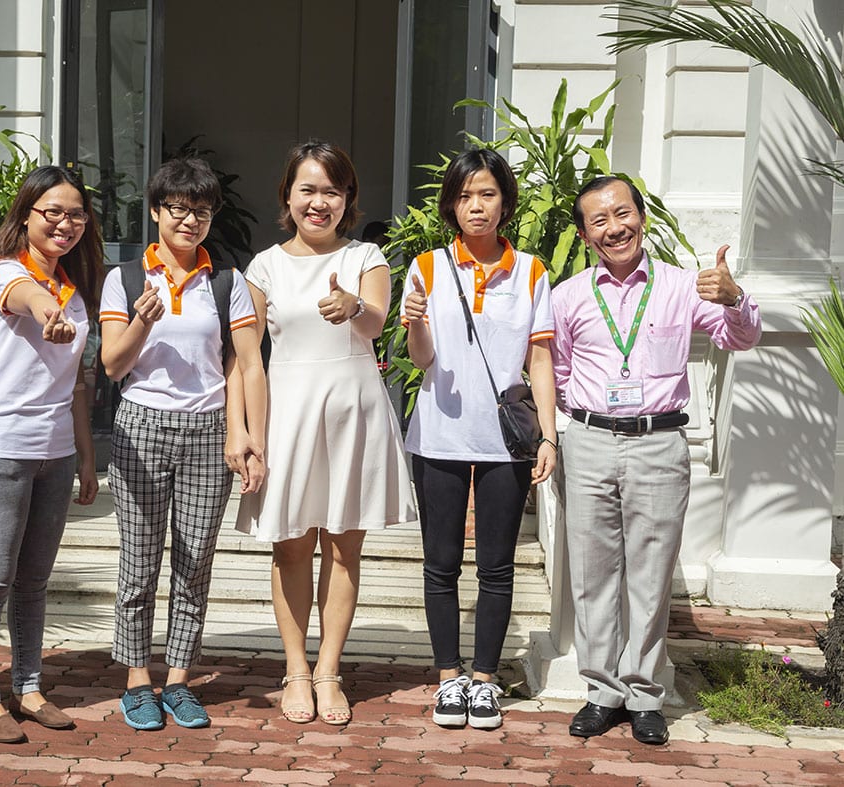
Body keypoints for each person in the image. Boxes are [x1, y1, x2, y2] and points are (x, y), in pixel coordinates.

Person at [552, 175, 761, 745]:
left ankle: (644, 694)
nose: (614, 227)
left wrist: (736, 299)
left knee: (650, 574)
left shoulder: (683, 286)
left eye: (623, 214)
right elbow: (562, 372)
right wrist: (584, 421)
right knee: (592, 572)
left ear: (641, 218)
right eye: (599, 220)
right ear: (584, 233)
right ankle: (600, 692)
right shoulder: (569, 294)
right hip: (589, 439)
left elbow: (740, 340)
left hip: (660, 442)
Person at [235, 141, 416, 726]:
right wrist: (244, 433)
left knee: (344, 546)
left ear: (348, 199)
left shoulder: (367, 255)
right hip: (287, 411)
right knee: (289, 545)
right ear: (288, 195)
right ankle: (294, 669)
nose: (320, 202)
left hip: (352, 412)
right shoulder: (262, 266)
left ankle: (330, 671)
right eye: (308, 189)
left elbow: (377, 322)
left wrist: (351, 304)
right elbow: (247, 358)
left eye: (331, 191)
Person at [99, 157, 267, 731]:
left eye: (201, 210)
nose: (189, 220)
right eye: (178, 208)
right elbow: (113, 366)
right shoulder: (123, 279)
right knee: (139, 563)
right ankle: (136, 681)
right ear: (155, 211)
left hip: (206, 430)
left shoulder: (227, 281)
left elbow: (246, 364)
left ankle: (179, 680)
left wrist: (245, 435)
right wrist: (141, 322)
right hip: (140, 428)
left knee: (195, 563)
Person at [401, 149, 556, 730]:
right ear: (451, 204)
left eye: (487, 194)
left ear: (505, 202)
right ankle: (448, 677)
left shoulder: (532, 270)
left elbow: (540, 358)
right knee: (439, 564)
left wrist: (548, 435)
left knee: (497, 566)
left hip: (506, 442)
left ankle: (485, 680)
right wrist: (415, 320)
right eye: (465, 196)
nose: (476, 206)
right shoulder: (428, 266)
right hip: (439, 434)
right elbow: (421, 358)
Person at [0, 166, 104, 743]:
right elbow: (27, 297)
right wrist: (48, 311)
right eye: (52, 212)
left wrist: (87, 457)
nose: (64, 224)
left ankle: (29, 686)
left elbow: (76, 386)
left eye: (75, 214)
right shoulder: (2, 273)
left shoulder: (76, 287)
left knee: (34, 581)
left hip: (56, 451)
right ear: (26, 216)